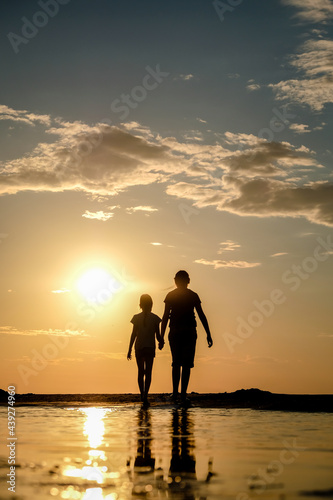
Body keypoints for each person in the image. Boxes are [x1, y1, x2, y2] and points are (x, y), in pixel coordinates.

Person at [161, 270, 213, 405]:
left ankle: (176, 394)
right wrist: (208, 333)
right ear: (188, 281)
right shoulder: (192, 295)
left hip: (178, 332)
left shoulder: (172, 295)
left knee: (177, 363)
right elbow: (201, 315)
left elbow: (165, 316)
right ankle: (182, 395)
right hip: (187, 332)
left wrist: (161, 336)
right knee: (185, 364)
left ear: (175, 281)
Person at [127, 294, 164, 407]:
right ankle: (146, 395)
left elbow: (133, 335)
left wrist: (129, 349)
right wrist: (161, 342)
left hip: (139, 347)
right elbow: (157, 335)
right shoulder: (155, 318)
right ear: (151, 305)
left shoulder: (136, 318)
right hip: (149, 348)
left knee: (140, 371)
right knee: (148, 372)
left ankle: (142, 394)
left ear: (140, 305)